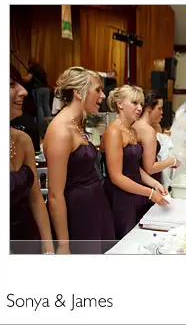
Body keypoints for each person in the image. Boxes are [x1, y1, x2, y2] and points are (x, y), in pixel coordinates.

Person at [44, 67, 115, 254]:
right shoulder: (60, 131)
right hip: (79, 212)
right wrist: (63, 244)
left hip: (95, 205)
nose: (103, 96)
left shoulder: (77, 123)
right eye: (97, 90)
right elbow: (54, 194)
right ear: (78, 92)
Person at [102, 86, 169, 240]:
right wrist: (149, 192)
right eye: (134, 103)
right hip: (120, 196)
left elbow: (133, 167)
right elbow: (116, 177)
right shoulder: (114, 131)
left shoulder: (132, 130)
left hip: (136, 191)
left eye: (141, 104)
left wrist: (154, 183)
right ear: (120, 104)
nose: (139, 108)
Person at [10, 67, 54, 254]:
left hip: (28, 239)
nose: (24, 91)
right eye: (11, 85)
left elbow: (35, 198)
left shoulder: (22, 139)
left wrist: (48, 246)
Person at [133, 91, 179, 189]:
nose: (162, 112)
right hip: (148, 181)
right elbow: (150, 168)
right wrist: (172, 161)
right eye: (159, 108)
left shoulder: (140, 125)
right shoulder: (147, 130)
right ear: (149, 108)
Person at [22, 57, 51, 129]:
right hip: (46, 89)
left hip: (39, 89)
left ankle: (41, 127)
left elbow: (28, 79)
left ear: (30, 64)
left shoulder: (33, 68)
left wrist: (19, 77)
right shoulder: (41, 69)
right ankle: (50, 125)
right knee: (46, 106)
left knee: (39, 107)